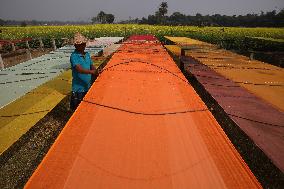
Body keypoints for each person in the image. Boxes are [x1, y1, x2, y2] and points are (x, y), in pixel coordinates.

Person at [70, 32, 96, 110]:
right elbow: (79, 69)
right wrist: (92, 72)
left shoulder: (87, 54)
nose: (82, 45)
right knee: (78, 109)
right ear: (75, 45)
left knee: (87, 107)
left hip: (88, 86)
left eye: (83, 43)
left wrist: (96, 71)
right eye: (80, 44)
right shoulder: (74, 56)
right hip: (79, 89)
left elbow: (91, 65)